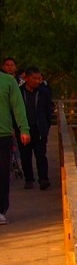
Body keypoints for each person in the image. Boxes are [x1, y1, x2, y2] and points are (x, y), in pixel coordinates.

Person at [0, 63, 31, 225]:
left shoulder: (8, 81)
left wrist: (23, 128)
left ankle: (0, 209)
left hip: (3, 134)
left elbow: (18, 106)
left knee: (2, 172)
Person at [19, 66, 53, 191]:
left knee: (41, 155)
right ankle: (29, 179)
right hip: (24, 129)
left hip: (39, 129)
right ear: (26, 78)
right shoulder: (19, 92)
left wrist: (46, 126)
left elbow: (48, 111)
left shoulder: (44, 92)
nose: (37, 81)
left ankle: (43, 179)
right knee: (25, 155)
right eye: (34, 78)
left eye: (39, 78)